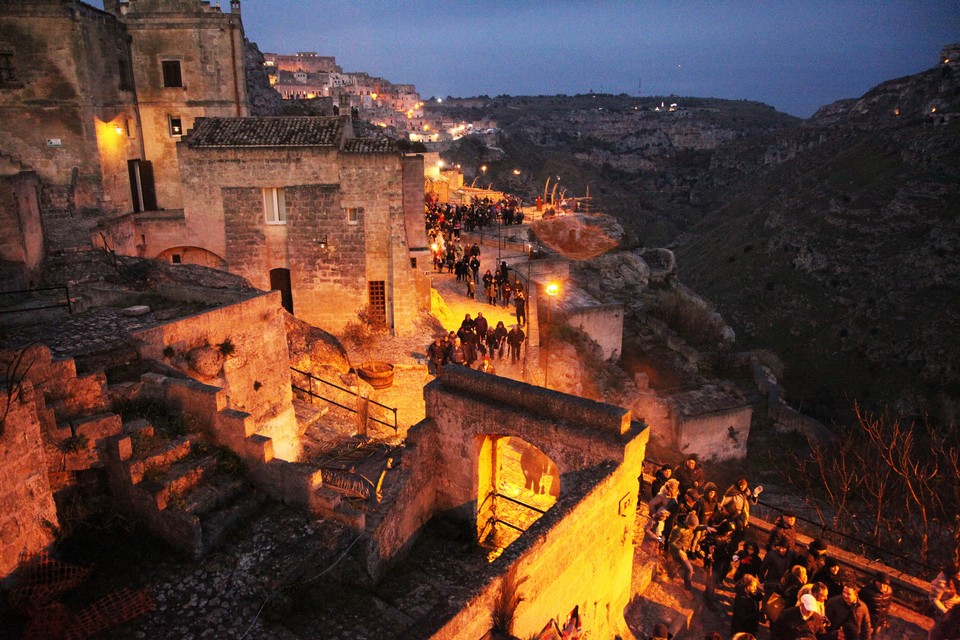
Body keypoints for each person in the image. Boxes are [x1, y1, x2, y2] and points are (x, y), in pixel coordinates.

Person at [858, 571, 892, 637]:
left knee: (874, 636)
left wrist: (884, 620)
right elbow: (860, 608)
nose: (882, 586)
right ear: (876, 581)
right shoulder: (866, 591)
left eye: (885, 584)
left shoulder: (889, 591)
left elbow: (887, 607)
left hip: (879, 622)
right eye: (880, 583)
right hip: (868, 622)